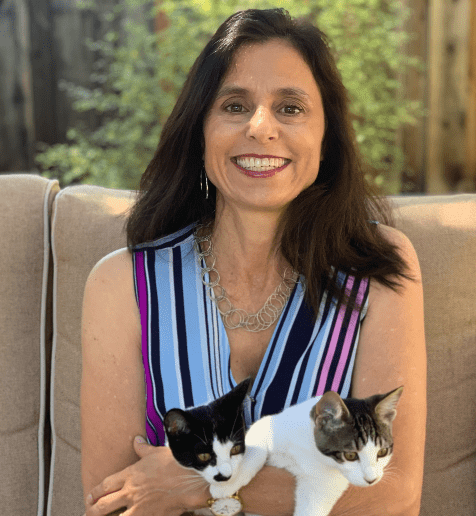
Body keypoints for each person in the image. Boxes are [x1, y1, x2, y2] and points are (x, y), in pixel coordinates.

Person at [81, 8, 426, 516]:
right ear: (200, 132)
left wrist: (196, 485)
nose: (261, 128)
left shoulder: (377, 271)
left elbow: (393, 497)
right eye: (235, 106)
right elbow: (111, 502)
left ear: (326, 138)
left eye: (290, 108)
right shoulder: (123, 285)